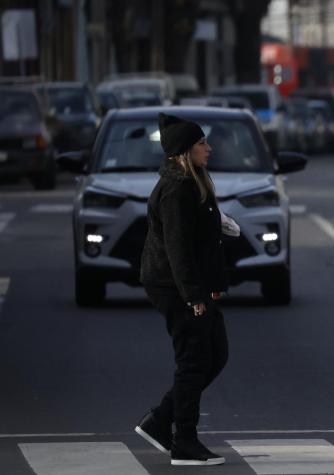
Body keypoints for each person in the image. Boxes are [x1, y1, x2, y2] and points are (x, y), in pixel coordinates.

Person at [135, 113, 229, 466]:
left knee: (216, 354)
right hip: (172, 285)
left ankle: (161, 420)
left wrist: (213, 286)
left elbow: (202, 241)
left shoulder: (194, 182)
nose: (209, 148)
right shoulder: (176, 189)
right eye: (202, 143)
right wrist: (192, 296)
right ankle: (184, 442)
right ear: (184, 152)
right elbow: (178, 248)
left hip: (191, 284)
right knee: (194, 360)